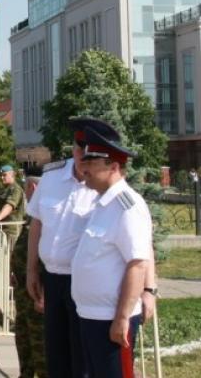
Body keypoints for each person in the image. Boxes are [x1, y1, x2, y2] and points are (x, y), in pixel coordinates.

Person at [25, 118, 107, 378]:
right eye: (78, 149)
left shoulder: (101, 187)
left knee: (80, 357)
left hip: (83, 282)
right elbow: (36, 225)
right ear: (72, 148)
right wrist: (31, 271)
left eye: (89, 152)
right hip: (52, 278)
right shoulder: (51, 177)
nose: (83, 156)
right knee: (55, 353)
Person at [72, 125, 155, 378]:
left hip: (112, 319)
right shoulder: (102, 202)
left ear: (114, 167)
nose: (84, 169)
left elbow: (137, 264)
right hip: (90, 315)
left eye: (91, 162)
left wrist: (122, 318)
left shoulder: (127, 207)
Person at [12, 167, 48, 378]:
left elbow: (46, 259)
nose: (24, 193)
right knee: (24, 343)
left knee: (40, 349)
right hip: (24, 293)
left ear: (32, 187)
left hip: (37, 296)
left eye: (25, 188)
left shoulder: (45, 216)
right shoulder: (33, 215)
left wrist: (43, 292)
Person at [0, 165, 26, 254]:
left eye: (4, 175)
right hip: (2, 228)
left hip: (11, 230)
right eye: (1, 175)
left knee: (8, 257)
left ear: (12, 175)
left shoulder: (15, 189)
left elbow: (9, 206)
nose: (2, 177)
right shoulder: (5, 190)